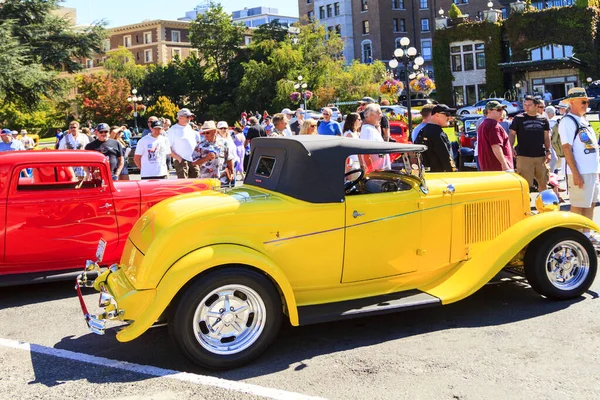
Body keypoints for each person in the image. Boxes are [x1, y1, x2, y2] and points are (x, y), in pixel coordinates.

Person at [559, 87, 600, 241]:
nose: (585, 104)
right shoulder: (567, 121)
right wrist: (575, 173)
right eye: (582, 102)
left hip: (591, 171)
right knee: (578, 205)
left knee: (590, 203)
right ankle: (575, 238)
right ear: (571, 102)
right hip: (580, 171)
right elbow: (566, 148)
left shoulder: (582, 119)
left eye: (586, 101)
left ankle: (587, 235)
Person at [509, 96, 551, 191]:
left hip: (540, 156)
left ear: (536, 106)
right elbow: (512, 134)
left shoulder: (543, 119)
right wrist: (510, 147)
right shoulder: (518, 118)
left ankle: (543, 204)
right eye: (525, 105)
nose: (527, 107)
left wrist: (549, 151)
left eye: (529, 105)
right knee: (525, 184)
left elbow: (547, 137)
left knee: (543, 183)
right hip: (524, 156)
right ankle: (525, 204)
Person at [414, 104, 457, 172]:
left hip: (427, 174)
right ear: (437, 115)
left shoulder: (423, 131)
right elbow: (445, 157)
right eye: (447, 114)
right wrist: (453, 172)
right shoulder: (437, 133)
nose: (449, 117)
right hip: (439, 175)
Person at [192, 121, 235, 186]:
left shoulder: (224, 143)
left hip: (222, 180)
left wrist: (232, 173)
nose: (205, 135)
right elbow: (194, 162)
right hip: (206, 181)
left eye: (207, 132)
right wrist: (206, 158)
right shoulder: (200, 146)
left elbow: (229, 159)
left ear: (214, 131)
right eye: (204, 133)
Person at [476, 101, 513, 172]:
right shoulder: (493, 125)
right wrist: (504, 164)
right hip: (498, 167)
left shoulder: (483, 124)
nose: (502, 111)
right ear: (489, 111)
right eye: (498, 109)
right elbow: (496, 146)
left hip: (488, 167)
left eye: (502, 109)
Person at [167, 108, 200, 179]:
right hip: (181, 161)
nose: (190, 119)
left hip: (193, 160)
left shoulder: (189, 127)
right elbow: (167, 148)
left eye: (191, 117)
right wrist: (179, 159)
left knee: (196, 182)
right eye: (188, 117)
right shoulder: (173, 130)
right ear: (180, 117)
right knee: (184, 183)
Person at [359, 104, 390, 171]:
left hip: (380, 173)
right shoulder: (367, 129)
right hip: (376, 174)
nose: (381, 115)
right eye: (379, 113)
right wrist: (371, 171)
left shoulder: (371, 128)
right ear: (371, 115)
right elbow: (365, 153)